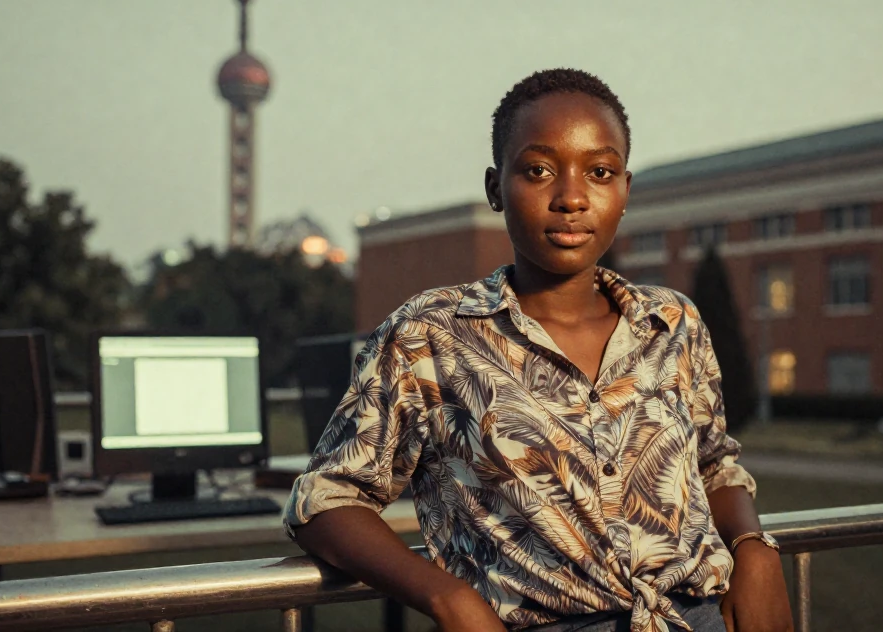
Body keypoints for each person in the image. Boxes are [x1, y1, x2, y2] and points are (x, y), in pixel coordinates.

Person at [285, 68, 793, 632]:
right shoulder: (431, 334)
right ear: (495, 187)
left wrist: (754, 547)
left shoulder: (672, 322)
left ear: (625, 189)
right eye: (538, 170)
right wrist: (448, 598)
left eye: (599, 172)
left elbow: (714, 464)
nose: (572, 197)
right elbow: (326, 500)